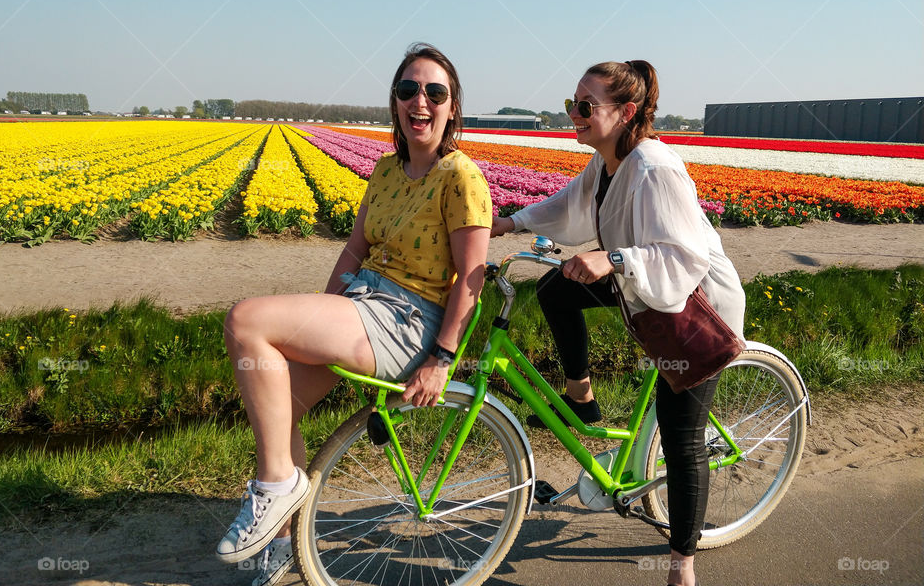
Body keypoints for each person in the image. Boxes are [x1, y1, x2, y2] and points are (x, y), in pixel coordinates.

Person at [217, 43, 492, 586]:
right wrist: (324, 311)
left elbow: (472, 280)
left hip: (409, 321)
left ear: (453, 107)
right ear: (394, 102)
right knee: (279, 409)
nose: (421, 101)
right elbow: (353, 251)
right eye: (408, 89)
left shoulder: (462, 178)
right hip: (361, 303)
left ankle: (278, 487)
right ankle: (281, 547)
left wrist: (441, 360)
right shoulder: (387, 170)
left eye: (435, 92)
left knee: (244, 320)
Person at [491, 60, 744, 586]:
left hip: (696, 304)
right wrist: (510, 221)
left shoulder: (656, 168)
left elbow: (683, 255)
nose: (574, 115)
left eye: (586, 107)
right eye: (571, 105)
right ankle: (583, 399)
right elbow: (571, 206)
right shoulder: (607, 163)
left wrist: (613, 259)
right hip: (645, 282)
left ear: (626, 112)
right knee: (556, 286)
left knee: (681, 438)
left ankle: (682, 564)